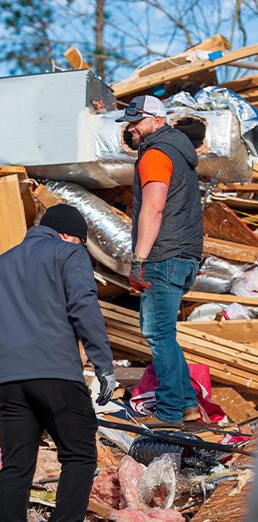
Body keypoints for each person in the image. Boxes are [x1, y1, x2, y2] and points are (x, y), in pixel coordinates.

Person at [0, 204, 116, 522]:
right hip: (57, 374)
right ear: (70, 236)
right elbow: (83, 305)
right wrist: (103, 364)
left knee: (16, 466)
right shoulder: (69, 254)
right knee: (80, 455)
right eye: (81, 243)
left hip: (8, 384)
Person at [117, 95, 203, 424]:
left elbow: (154, 208)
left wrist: (138, 259)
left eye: (138, 121)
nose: (132, 127)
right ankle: (187, 405)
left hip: (163, 256)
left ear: (158, 120)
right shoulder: (180, 152)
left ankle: (169, 413)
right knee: (165, 333)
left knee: (157, 334)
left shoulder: (155, 155)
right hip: (184, 255)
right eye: (129, 122)